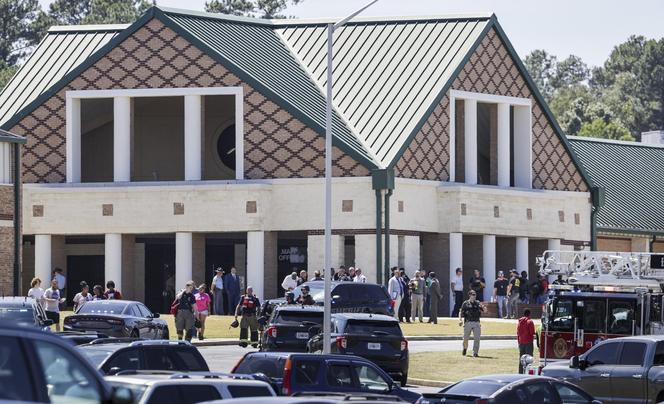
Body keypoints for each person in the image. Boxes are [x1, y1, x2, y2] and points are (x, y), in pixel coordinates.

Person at [459, 290, 485, 357]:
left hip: (476, 322)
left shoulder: (478, 303)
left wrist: (483, 307)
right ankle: (465, 348)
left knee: (477, 338)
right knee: (465, 338)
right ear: (469, 295)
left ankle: (475, 352)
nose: (474, 296)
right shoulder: (465, 303)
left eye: (475, 295)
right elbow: (461, 312)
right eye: (472, 295)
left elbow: (484, 310)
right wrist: (460, 320)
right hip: (468, 322)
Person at [517, 309, 536, 373]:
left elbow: (518, 332)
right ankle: (528, 372)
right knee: (529, 359)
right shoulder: (530, 322)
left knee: (521, 359)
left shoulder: (519, 322)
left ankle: (520, 372)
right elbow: (532, 332)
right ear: (529, 314)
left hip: (521, 342)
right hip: (528, 342)